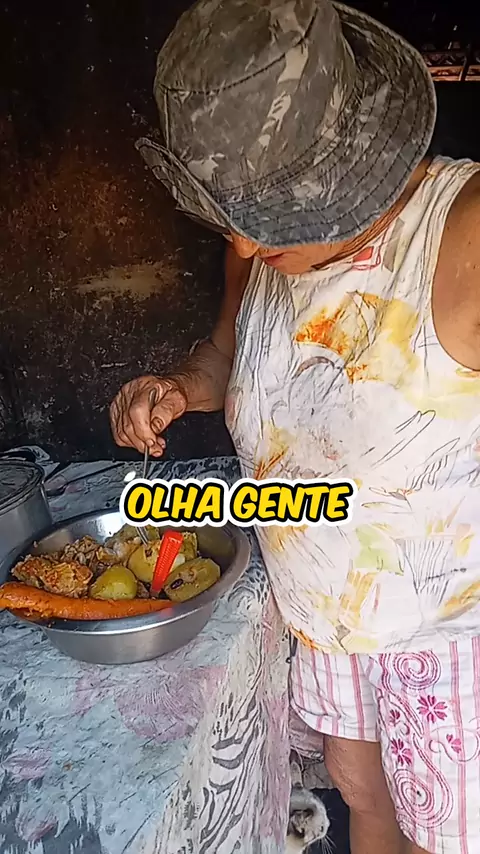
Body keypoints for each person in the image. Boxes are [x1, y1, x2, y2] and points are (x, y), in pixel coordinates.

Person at [109, 1, 480, 852]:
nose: (241, 242)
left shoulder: (461, 235)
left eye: (267, 215)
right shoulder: (256, 244)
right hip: (329, 618)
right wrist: (178, 387)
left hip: (450, 637)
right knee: (364, 799)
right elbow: (226, 353)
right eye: (231, 216)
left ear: (345, 162)